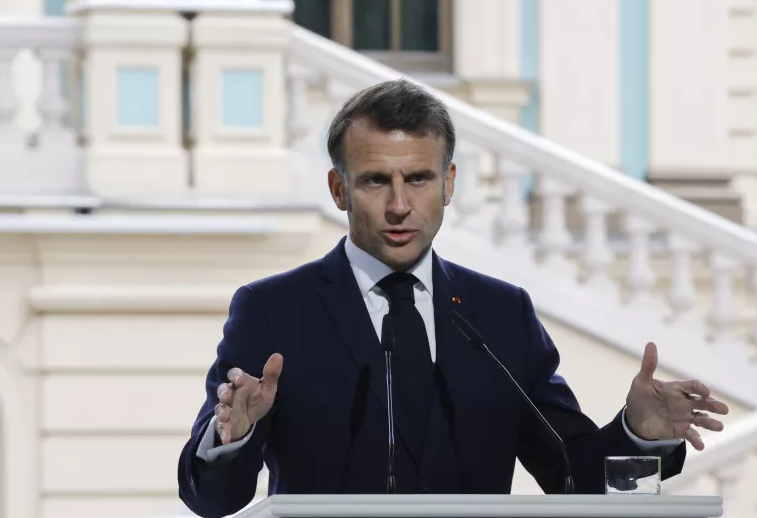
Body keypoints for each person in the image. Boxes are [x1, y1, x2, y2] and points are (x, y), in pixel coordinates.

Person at [177, 79, 729, 518]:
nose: (399, 206)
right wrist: (235, 435)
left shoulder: (501, 314)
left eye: (418, 179)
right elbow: (210, 499)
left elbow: (574, 478)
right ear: (338, 189)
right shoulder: (275, 310)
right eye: (375, 181)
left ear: (449, 184)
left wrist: (639, 434)